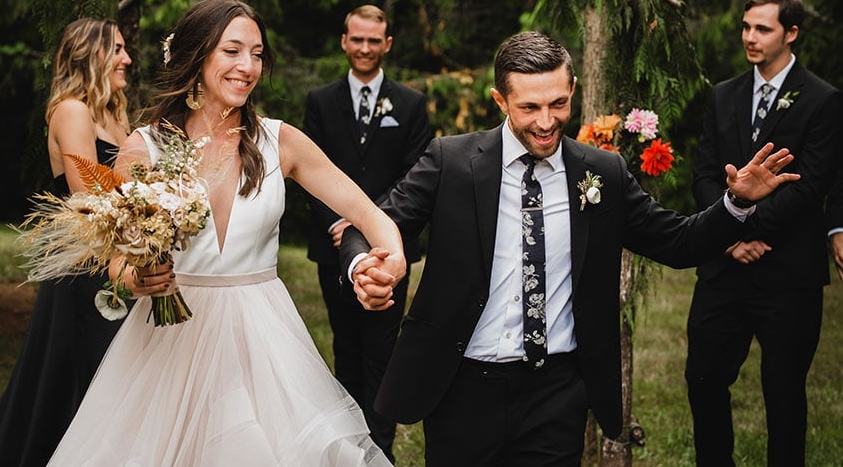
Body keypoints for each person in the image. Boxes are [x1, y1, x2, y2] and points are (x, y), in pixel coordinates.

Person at [340, 30, 800, 467]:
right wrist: (362, 264)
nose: (546, 122)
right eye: (530, 107)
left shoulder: (603, 172)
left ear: (573, 89)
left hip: (555, 392)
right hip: (462, 387)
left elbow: (680, 242)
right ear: (500, 101)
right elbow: (370, 222)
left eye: (559, 103)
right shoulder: (452, 162)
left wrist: (736, 202)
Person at [45, 0, 404, 467]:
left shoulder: (281, 140)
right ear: (198, 55)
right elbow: (116, 258)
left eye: (257, 54)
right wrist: (134, 279)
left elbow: (368, 213)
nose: (248, 66)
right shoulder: (145, 146)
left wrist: (392, 255)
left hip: (261, 337)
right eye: (232, 51)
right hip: (169, 338)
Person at [685, 0, 843, 467]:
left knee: (784, 392)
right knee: (703, 379)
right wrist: (728, 236)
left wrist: (746, 229)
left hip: (787, 272)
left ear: (791, 33)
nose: (749, 37)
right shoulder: (722, 95)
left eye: (762, 28)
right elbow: (705, 173)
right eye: (745, 26)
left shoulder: (822, 100)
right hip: (725, 270)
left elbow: (808, 186)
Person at [0, 18, 134, 467]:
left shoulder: (116, 111)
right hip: (85, 265)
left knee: (120, 371)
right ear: (92, 54)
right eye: (117, 49)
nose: (127, 59)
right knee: (80, 371)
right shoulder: (71, 110)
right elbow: (89, 197)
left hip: (119, 256)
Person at [303, 4, 431, 461]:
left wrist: (373, 227)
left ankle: (380, 452)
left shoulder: (412, 104)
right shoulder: (320, 101)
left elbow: (415, 175)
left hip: (389, 250)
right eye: (356, 39)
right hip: (331, 243)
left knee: (382, 351)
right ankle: (349, 448)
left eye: (373, 40)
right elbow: (309, 172)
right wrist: (340, 223)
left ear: (387, 44)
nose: (364, 48)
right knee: (345, 346)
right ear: (344, 41)